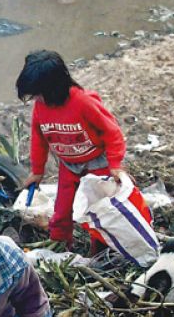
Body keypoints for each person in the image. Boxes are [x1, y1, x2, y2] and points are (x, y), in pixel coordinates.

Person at [17, 49, 128, 251]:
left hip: (98, 164)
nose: (36, 99)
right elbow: (38, 139)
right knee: (61, 211)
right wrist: (37, 171)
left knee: (99, 209)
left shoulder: (83, 102)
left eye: (38, 94)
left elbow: (112, 132)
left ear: (53, 88)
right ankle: (60, 244)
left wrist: (115, 165)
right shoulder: (40, 108)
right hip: (69, 166)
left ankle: (100, 249)